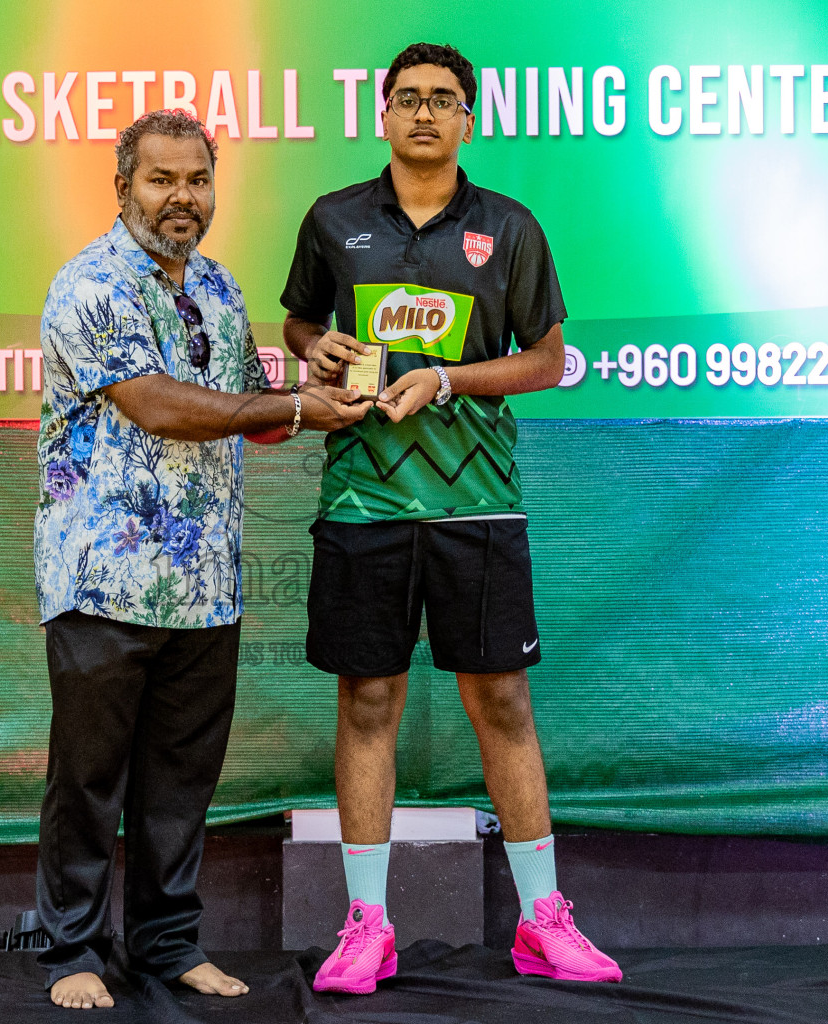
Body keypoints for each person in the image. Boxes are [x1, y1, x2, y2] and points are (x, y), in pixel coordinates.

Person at [280, 43, 623, 993]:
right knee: (368, 703)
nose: (425, 113)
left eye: (445, 100)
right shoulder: (332, 221)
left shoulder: (508, 228)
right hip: (362, 500)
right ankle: (366, 927)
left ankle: (542, 921)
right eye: (409, 99)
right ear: (381, 115)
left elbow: (547, 360)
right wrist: (318, 348)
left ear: (469, 119)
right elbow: (299, 327)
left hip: (478, 504)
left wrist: (447, 378)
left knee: (502, 705)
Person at [33, 108, 368, 1010]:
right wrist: (287, 408)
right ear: (122, 187)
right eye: (161, 180)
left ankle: (168, 947)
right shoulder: (90, 283)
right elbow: (155, 404)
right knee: (89, 782)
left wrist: (314, 390)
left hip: (204, 592)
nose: (182, 198)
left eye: (197, 181)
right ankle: (71, 952)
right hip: (103, 582)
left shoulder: (217, 287)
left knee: (181, 788)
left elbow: (246, 413)